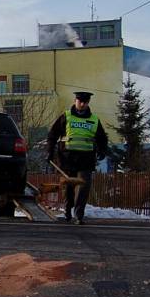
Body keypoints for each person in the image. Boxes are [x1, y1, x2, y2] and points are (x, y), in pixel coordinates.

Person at [47, 91, 108, 225]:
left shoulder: (94, 119)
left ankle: (79, 215)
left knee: (83, 186)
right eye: (80, 101)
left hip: (86, 159)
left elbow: (102, 138)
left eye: (85, 102)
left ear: (88, 103)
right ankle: (68, 211)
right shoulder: (66, 116)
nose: (82, 104)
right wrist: (50, 151)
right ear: (75, 101)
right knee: (69, 186)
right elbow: (53, 134)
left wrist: (103, 149)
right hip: (67, 158)